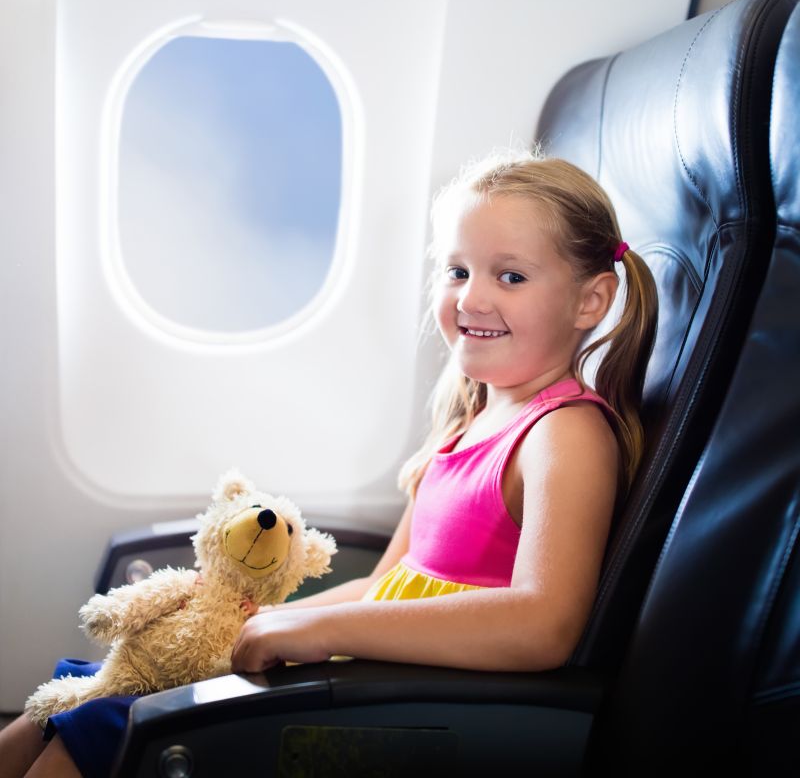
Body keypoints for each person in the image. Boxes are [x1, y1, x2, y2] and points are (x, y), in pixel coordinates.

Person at [0, 150, 657, 777]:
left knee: (103, 732)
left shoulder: (563, 433)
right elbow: (391, 584)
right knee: (69, 695)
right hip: (382, 666)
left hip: (420, 704)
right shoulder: (469, 421)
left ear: (590, 301)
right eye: (457, 271)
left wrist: (320, 627)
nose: (471, 299)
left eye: (510, 276)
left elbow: (545, 625)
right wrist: (264, 620)